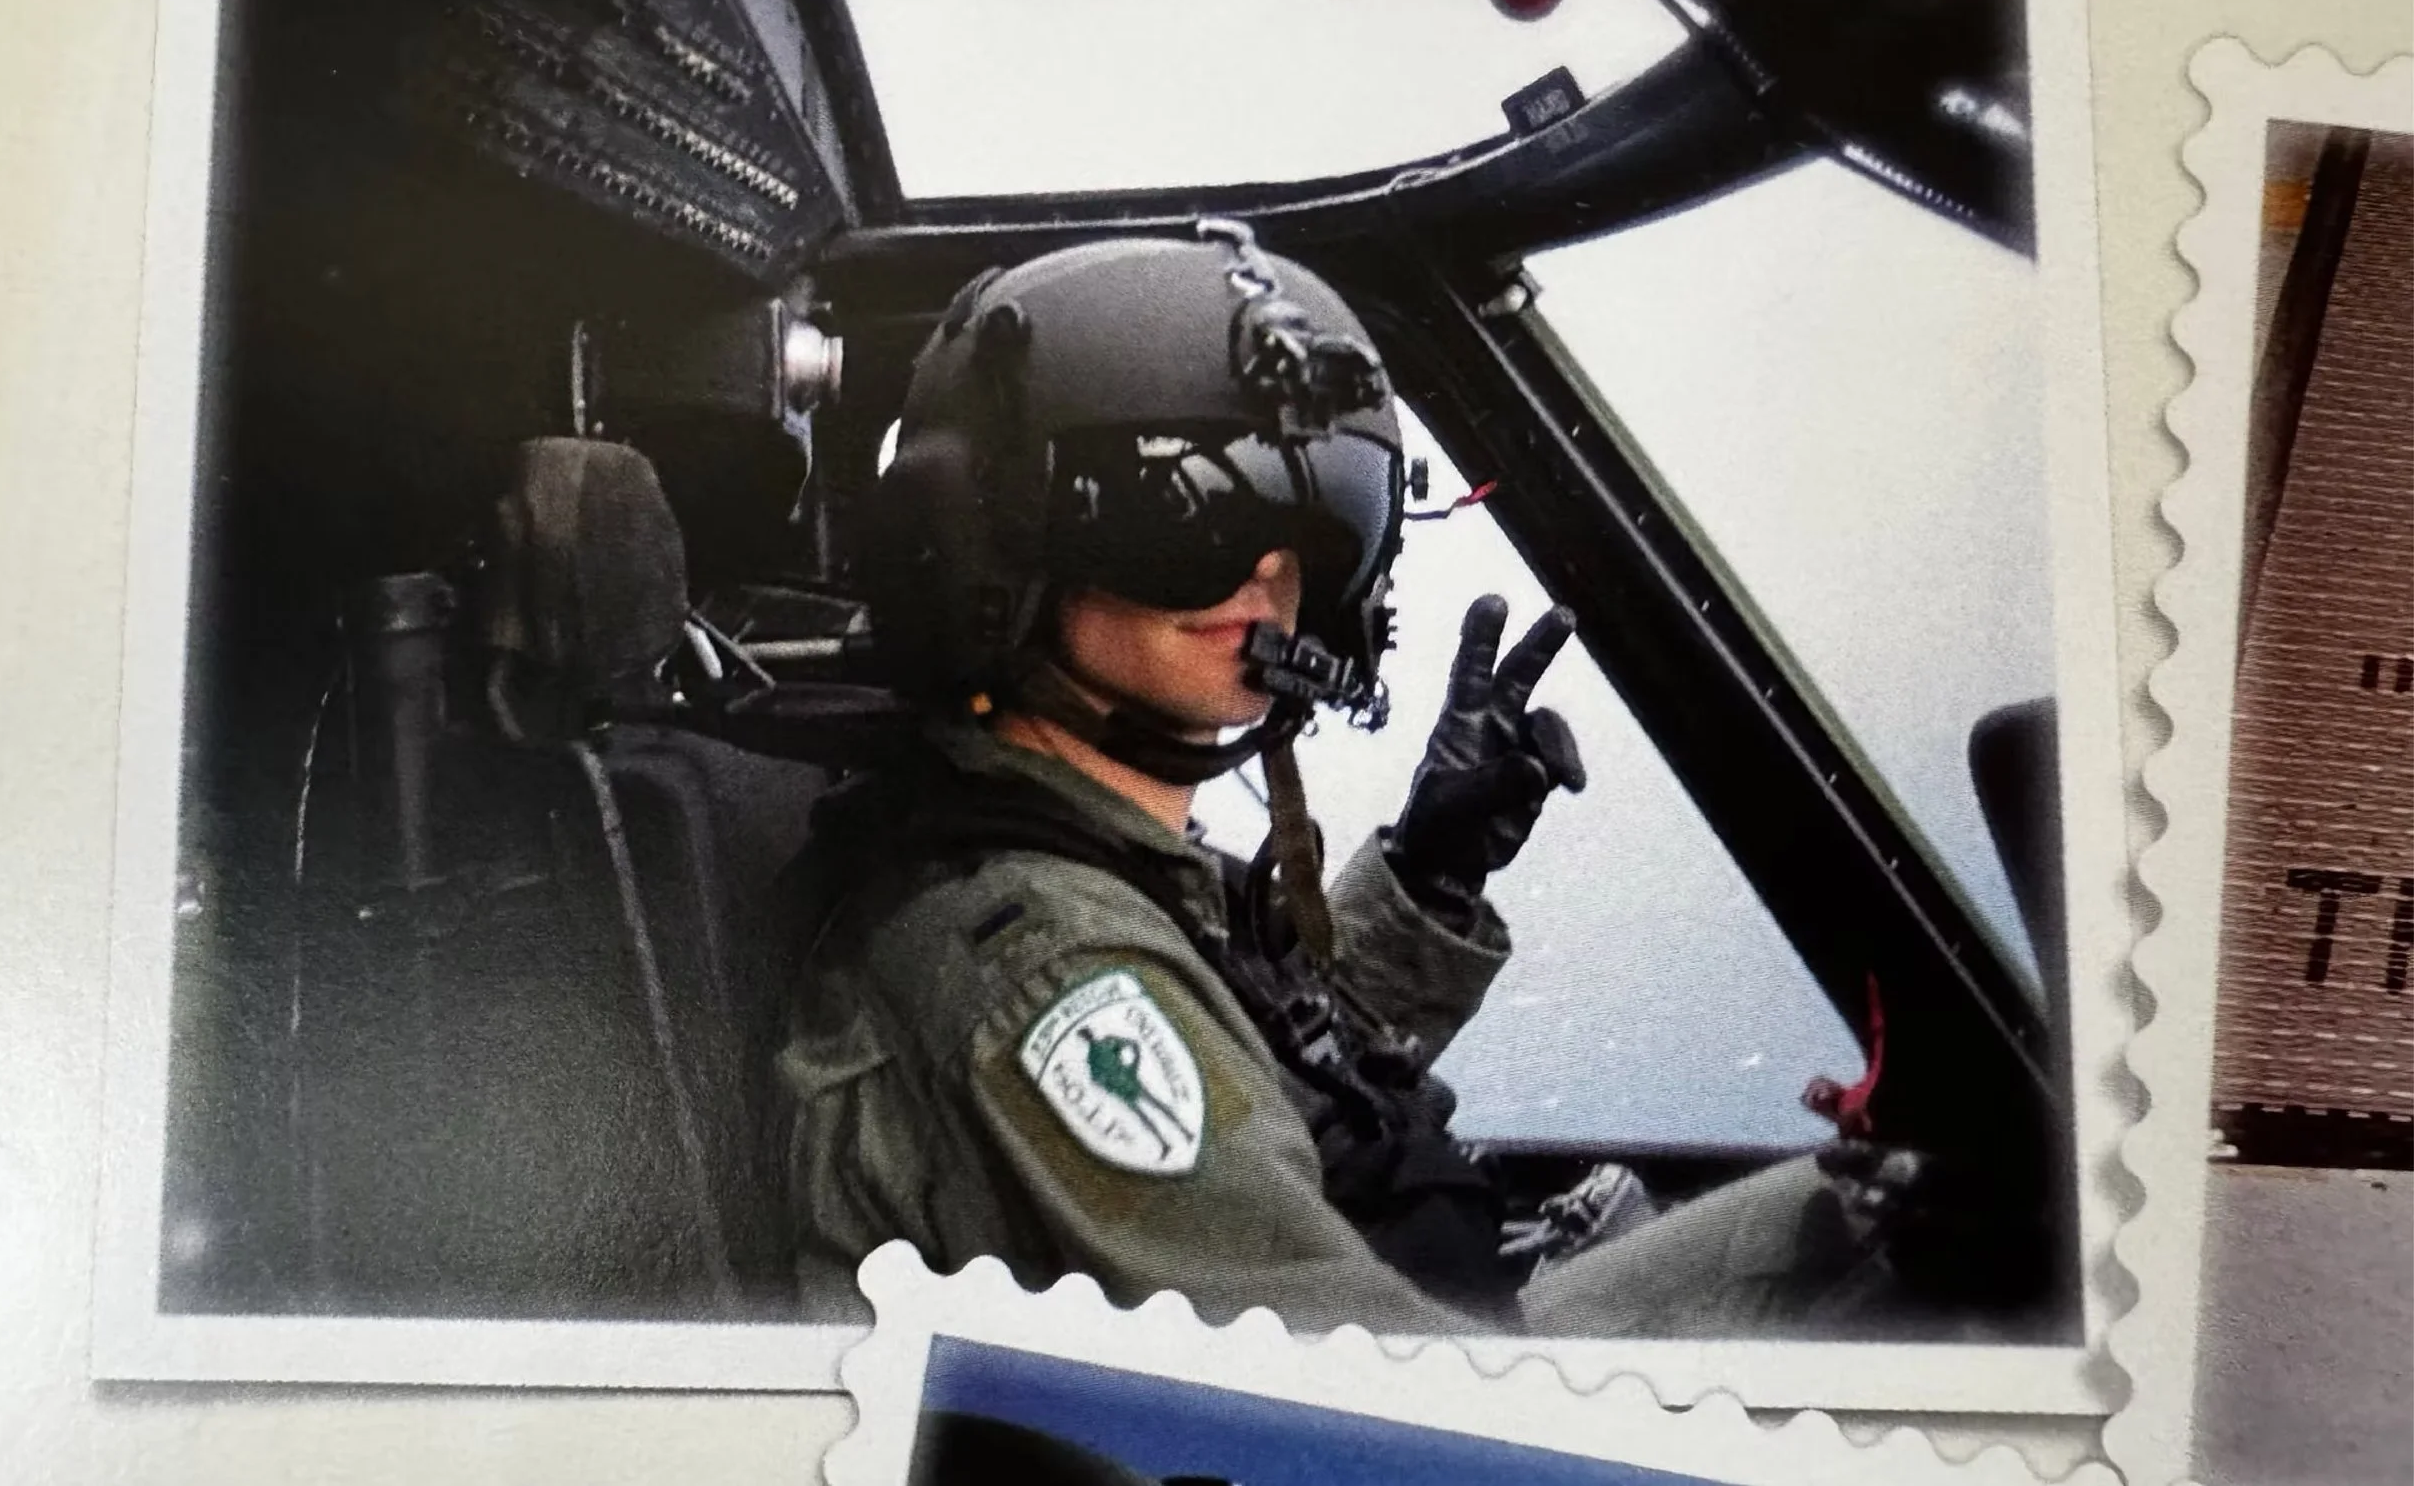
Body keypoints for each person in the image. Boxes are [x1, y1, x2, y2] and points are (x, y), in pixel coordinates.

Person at [776, 224, 1903, 1337]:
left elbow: (1248, 1059)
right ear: (985, 542)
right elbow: (1358, 1428)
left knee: (1866, 1215)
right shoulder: (1050, 973)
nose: (1267, 580)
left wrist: (1426, 874)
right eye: (1186, 520)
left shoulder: (1079, 850)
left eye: (1316, 521)